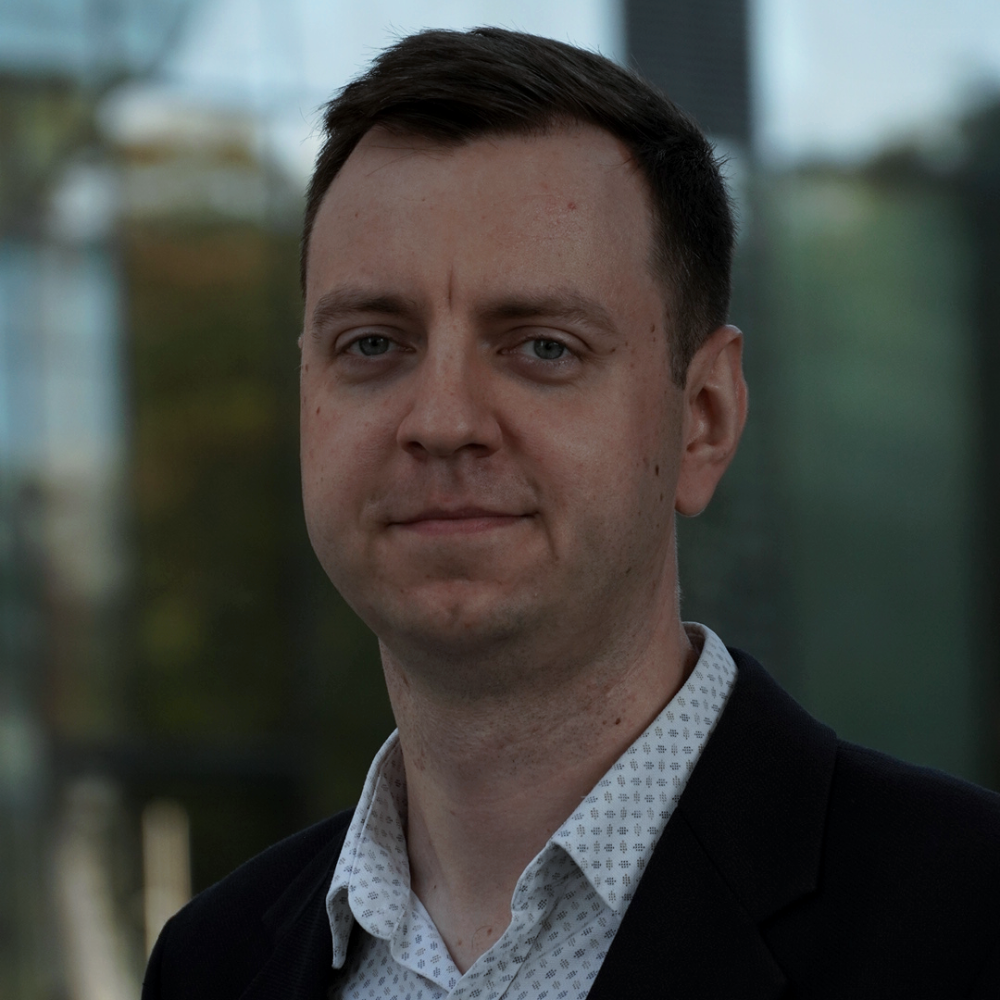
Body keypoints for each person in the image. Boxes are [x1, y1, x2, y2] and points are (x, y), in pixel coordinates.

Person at [142, 27, 1000, 1000]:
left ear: (704, 419)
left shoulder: (969, 922)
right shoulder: (210, 966)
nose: (444, 422)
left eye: (543, 347)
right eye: (373, 343)